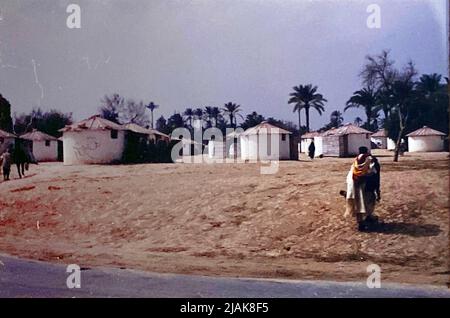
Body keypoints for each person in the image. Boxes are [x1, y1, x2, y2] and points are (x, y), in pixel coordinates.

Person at [344, 146, 381, 231]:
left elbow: (350, 175)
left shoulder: (355, 162)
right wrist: (377, 190)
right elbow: (376, 175)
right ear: (367, 151)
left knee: (358, 203)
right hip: (367, 185)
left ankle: (361, 221)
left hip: (354, 184)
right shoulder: (372, 160)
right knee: (369, 201)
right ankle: (367, 218)